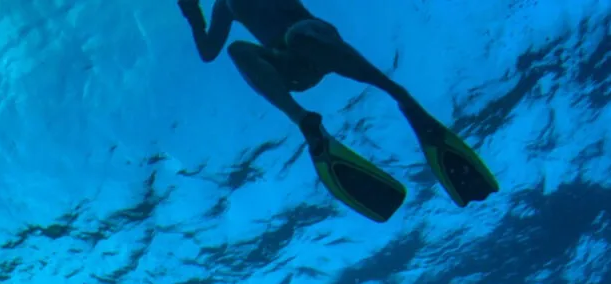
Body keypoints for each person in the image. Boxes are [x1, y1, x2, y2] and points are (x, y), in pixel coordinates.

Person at [178, 0, 498, 222]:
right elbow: (209, 51)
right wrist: (193, 15)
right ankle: (305, 123)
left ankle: (400, 96)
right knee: (239, 50)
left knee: (298, 34)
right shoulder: (225, 6)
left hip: (315, 39)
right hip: (290, 67)